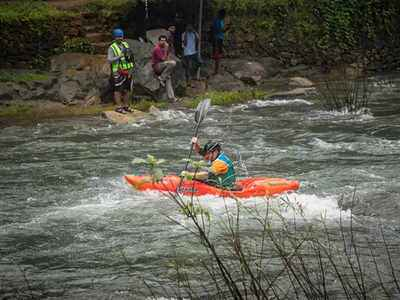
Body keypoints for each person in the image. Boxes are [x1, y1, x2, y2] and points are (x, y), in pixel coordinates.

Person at [107, 28, 135, 114]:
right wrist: (119, 56)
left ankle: (126, 106)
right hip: (118, 72)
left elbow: (130, 56)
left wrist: (132, 67)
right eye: (117, 37)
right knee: (118, 89)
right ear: (114, 37)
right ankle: (119, 107)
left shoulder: (125, 44)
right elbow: (110, 60)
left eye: (121, 36)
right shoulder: (112, 47)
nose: (119, 38)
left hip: (128, 70)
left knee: (128, 89)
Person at [152, 35, 178, 102]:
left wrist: (167, 49)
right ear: (159, 41)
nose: (163, 42)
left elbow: (167, 58)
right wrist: (166, 49)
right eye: (161, 40)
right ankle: (161, 77)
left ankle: (172, 98)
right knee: (173, 63)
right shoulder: (157, 48)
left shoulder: (164, 48)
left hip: (163, 66)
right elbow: (163, 59)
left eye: (164, 40)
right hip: (157, 66)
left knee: (168, 79)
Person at [211, 9, 228, 75]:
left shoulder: (221, 20)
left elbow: (221, 30)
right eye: (224, 15)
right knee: (217, 55)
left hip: (220, 38)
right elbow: (218, 30)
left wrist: (225, 29)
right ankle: (216, 71)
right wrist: (225, 29)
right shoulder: (217, 20)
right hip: (217, 39)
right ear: (221, 14)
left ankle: (217, 70)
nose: (224, 16)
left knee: (219, 55)